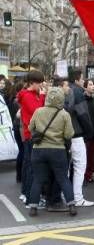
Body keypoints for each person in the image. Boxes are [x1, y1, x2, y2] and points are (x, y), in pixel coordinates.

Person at [28, 87, 76, 217]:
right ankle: (71, 205)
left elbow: (30, 127)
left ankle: (33, 207)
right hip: (58, 150)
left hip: (38, 150)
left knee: (38, 179)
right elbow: (69, 134)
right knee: (63, 178)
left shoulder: (38, 111)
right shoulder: (64, 114)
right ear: (62, 98)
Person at [65, 69, 94, 207]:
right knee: (79, 166)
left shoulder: (63, 89)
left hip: (63, 134)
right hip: (76, 133)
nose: (83, 81)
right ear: (77, 80)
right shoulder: (77, 92)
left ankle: (64, 195)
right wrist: (89, 131)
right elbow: (83, 114)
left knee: (65, 167)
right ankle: (77, 197)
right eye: (82, 79)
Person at [17, 70, 46, 206]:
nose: (41, 85)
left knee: (29, 165)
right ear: (32, 83)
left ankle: (26, 194)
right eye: (39, 83)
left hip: (31, 134)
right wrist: (42, 97)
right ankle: (30, 198)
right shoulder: (28, 96)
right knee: (31, 168)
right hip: (32, 135)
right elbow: (38, 112)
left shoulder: (30, 94)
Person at [83, 80, 94, 184]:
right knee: (84, 157)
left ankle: (89, 175)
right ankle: (83, 177)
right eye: (90, 84)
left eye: (93, 84)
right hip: (86, 134)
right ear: (85, 87)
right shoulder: (83, 100)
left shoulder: (93, 100)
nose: (93, 86)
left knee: (91, 156)